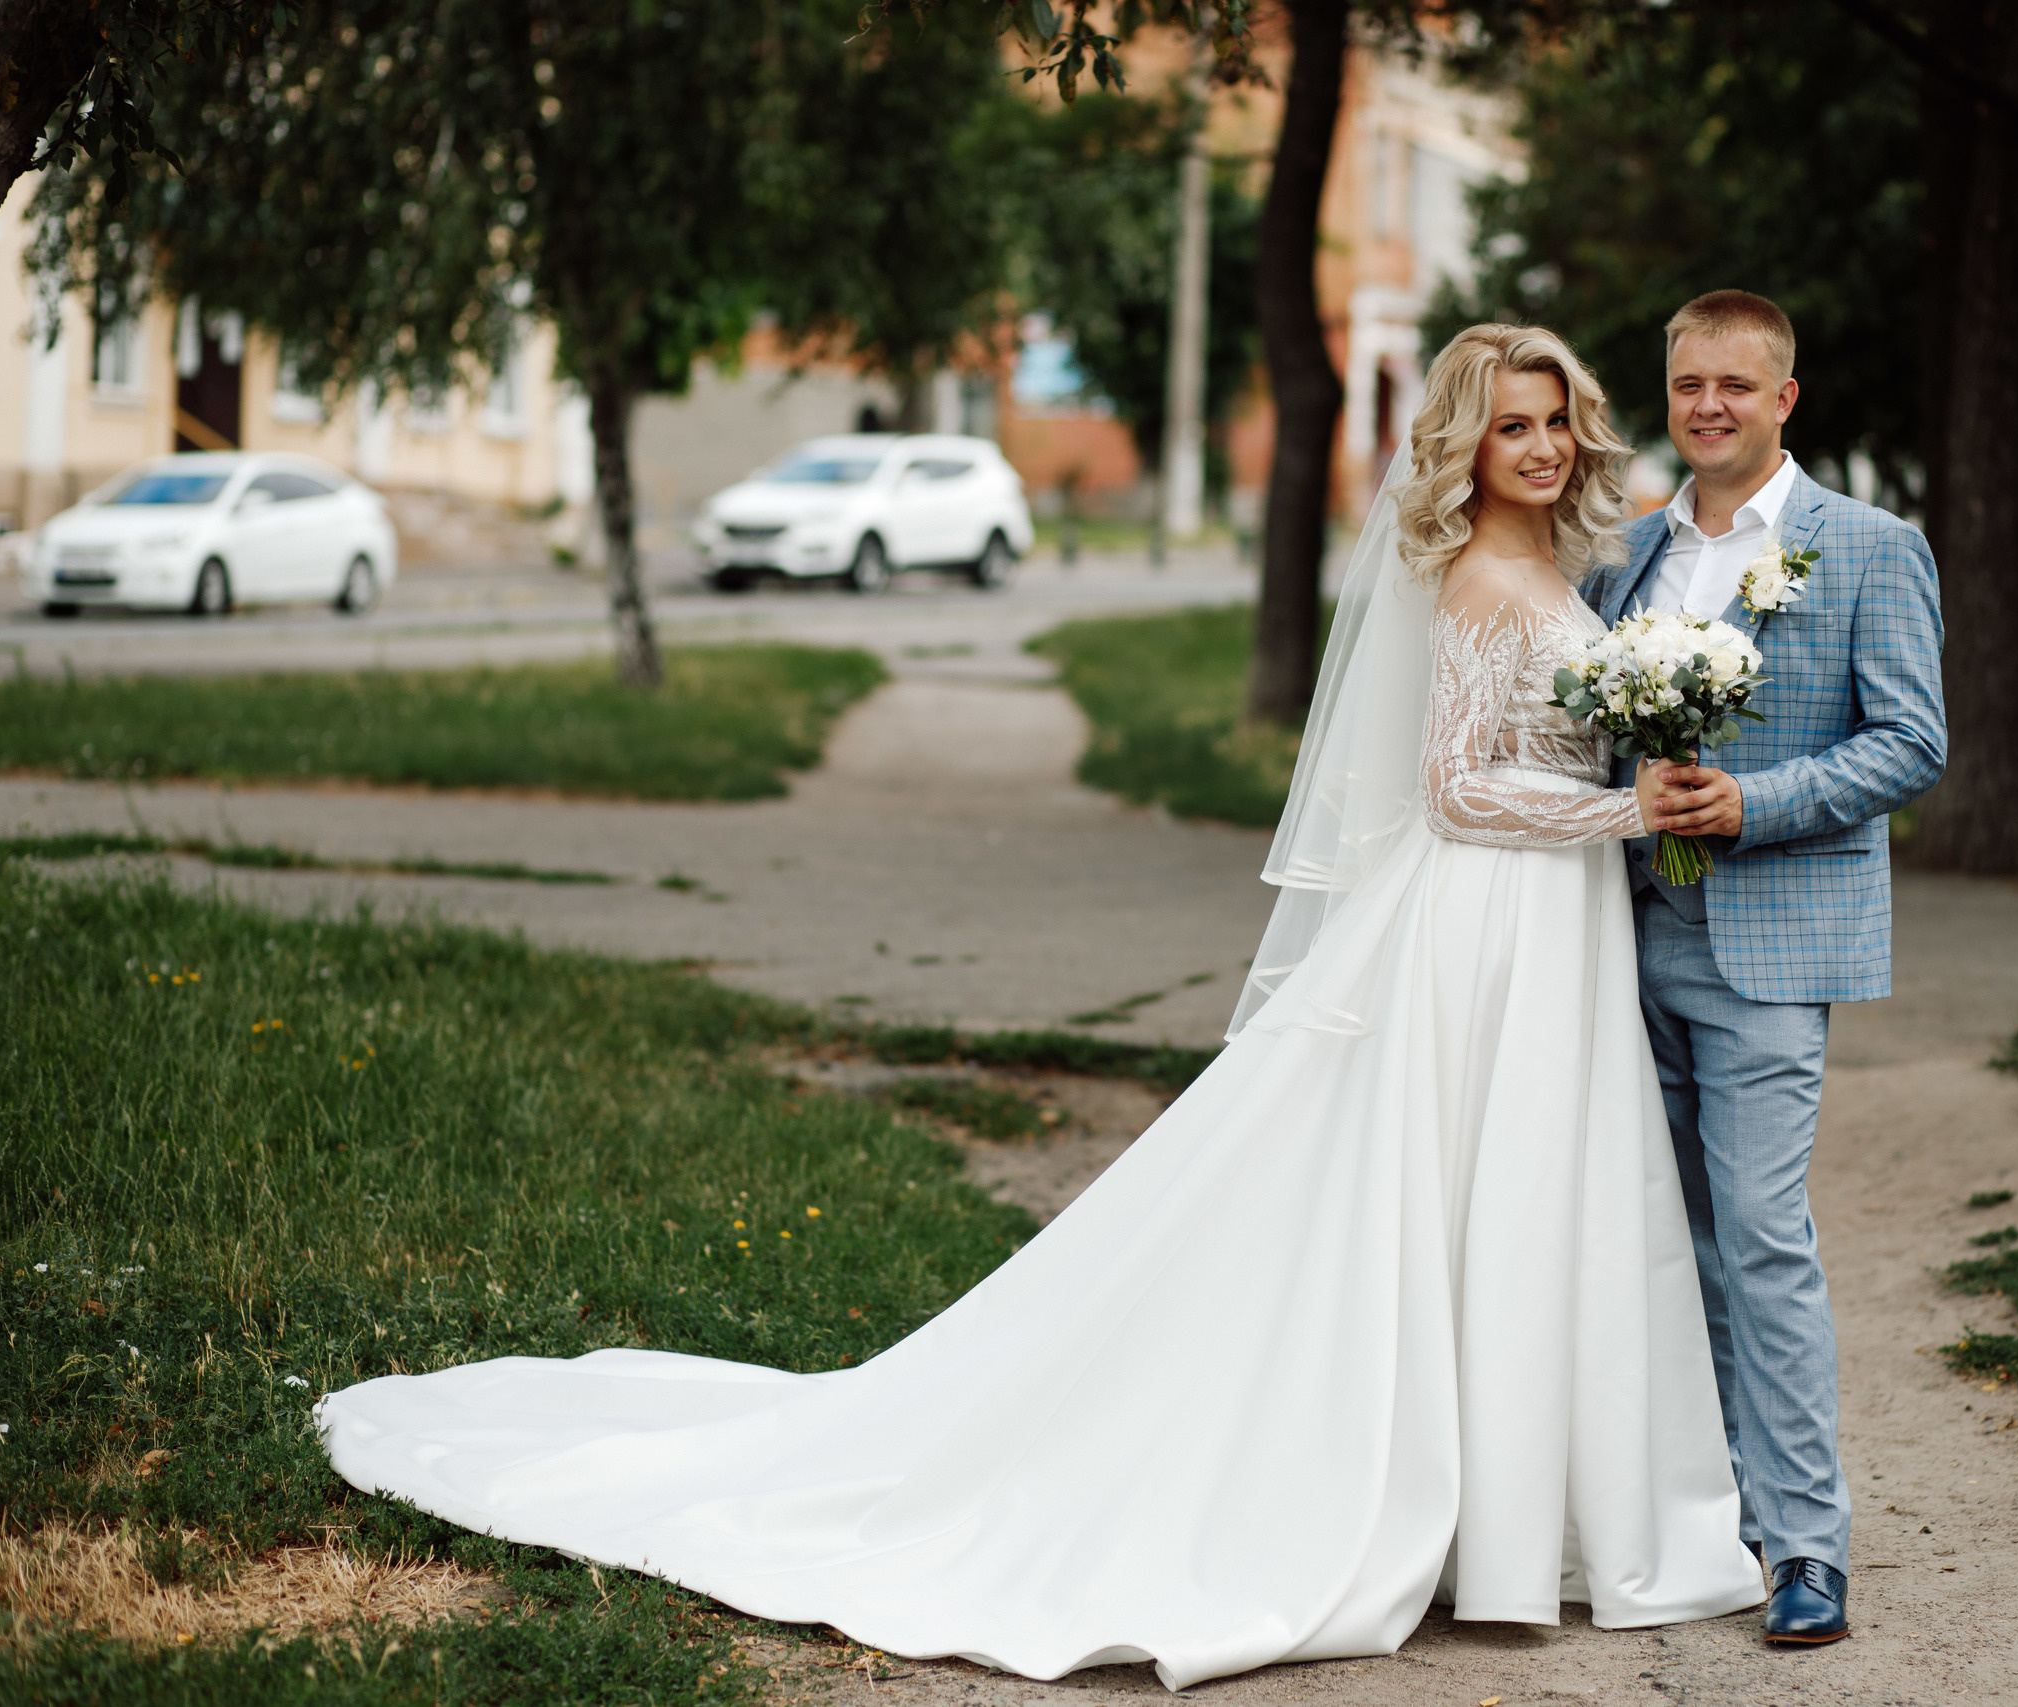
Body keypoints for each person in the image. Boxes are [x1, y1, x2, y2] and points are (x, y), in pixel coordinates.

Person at [315, 324, 1766, 1691]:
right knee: (1464, 1196)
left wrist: (1634, 788)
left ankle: (1496, 1526)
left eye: (1557, 420)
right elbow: (1455, 792)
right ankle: (1453, 1522)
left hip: (1544, 922)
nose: (1541, 444)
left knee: (1510, 1207)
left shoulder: (1571, 573)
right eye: (1510, 423)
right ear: (1463, 442)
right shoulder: (1473, 585)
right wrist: (1623, 810)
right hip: (1482, 928)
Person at [1581, 290, 1947, 1645]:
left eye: (1737, 385)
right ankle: (1687, 1522)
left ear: (1785, 398)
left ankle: (1804, 1545)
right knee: (1659, 1248)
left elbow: (1911, 742)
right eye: (1688, 386)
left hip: (1770, 944)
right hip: (1613, 939)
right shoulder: (1622, 556)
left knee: (1761, 1240)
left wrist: (1757, 803)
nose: (1710, 408)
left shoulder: (1867, 549)